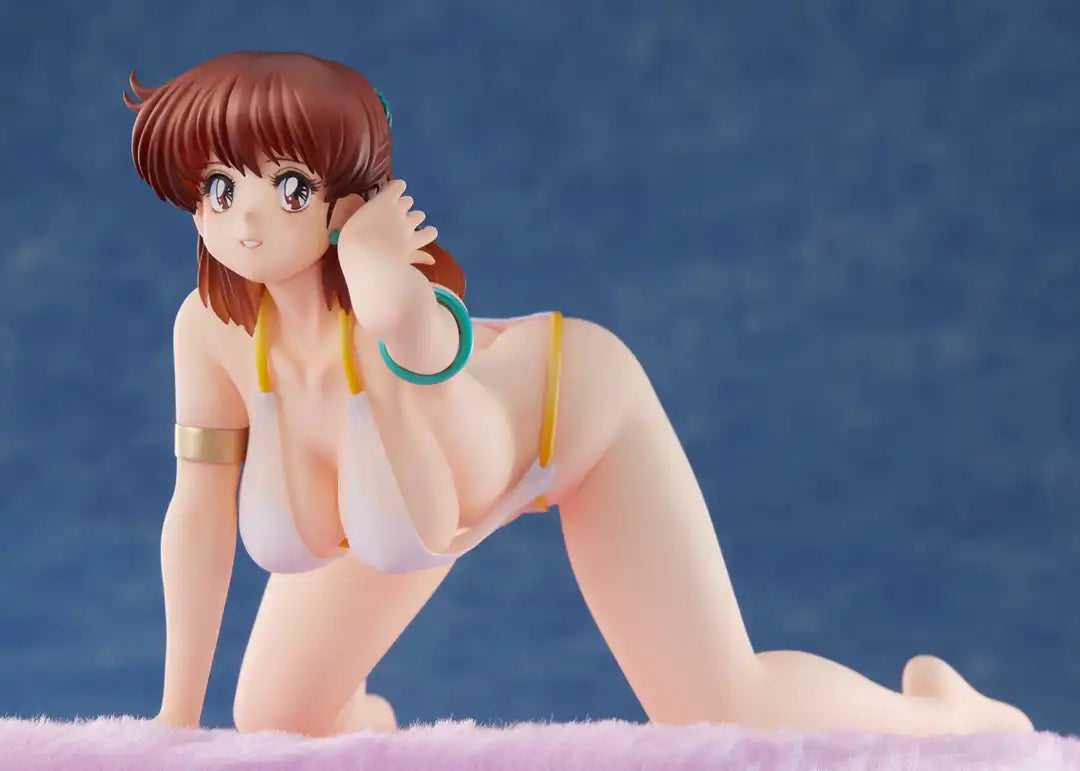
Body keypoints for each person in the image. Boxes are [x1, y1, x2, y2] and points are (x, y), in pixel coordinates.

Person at [125, 51, 1033, 737]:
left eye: (288, 186)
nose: (246, 220)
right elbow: (197, 512)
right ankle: (377, 734)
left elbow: (428, 350)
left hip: (574, 411)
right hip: (409, 493)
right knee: (278, 721)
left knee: (722, 709)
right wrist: (174, 715)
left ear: (346, 200)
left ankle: (951, 722)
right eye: (219, 185)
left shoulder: (394, 313)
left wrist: (388, 289)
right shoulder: (209, 331)